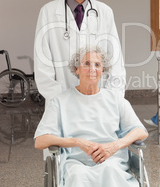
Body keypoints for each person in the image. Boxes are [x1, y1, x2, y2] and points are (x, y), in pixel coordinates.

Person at [34, 47, 147, 186]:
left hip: (111, 159)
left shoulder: (115, 100)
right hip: (75, 162)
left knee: (110, 172)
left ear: (103, 70)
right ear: (77, 69)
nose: (92, 69)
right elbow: (40, 141)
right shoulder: (60, 101)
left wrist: (114, 146)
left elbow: (140, 131)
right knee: (78, 176)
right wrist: (77, 142)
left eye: (97, 65)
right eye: (86, 64)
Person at [34, 0, 125, 104]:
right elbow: (42, 61)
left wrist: (112, 98)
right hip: (61, 98)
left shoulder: (105, 12)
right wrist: (58, 99)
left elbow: (115, 59)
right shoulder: (48, 11)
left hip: (98, 98)